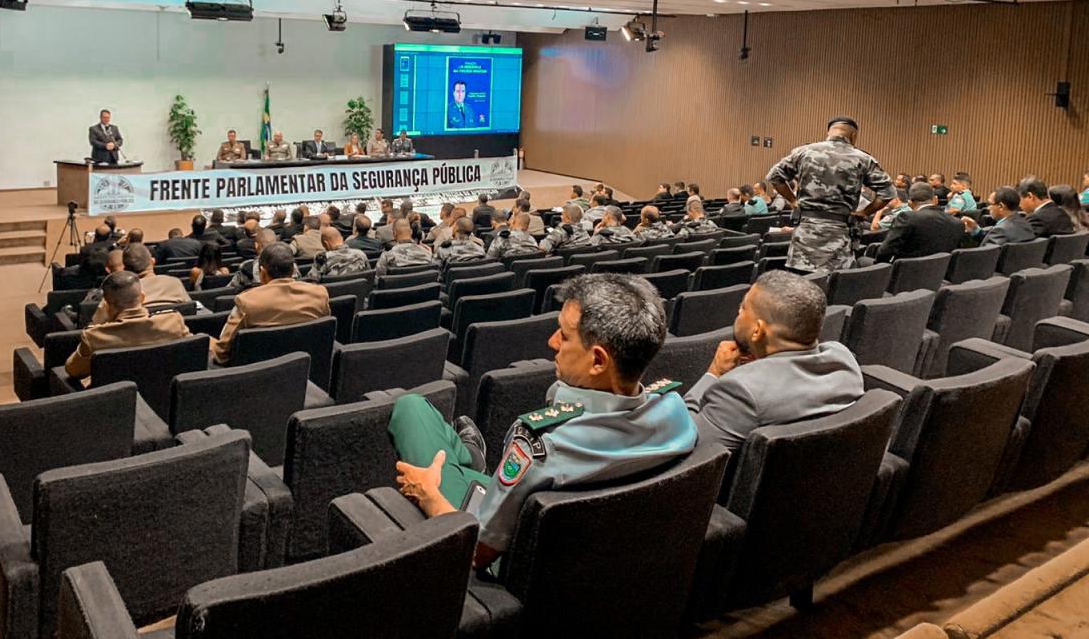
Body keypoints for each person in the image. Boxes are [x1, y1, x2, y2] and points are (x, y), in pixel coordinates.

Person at [389, 273, 695, 569]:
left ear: (598, 361)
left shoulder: (542, 450)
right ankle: (469, 457)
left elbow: (476, 553)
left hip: (503, 556)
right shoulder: (677, 415)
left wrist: (428, 495)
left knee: (410, 409)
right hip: (605, 562)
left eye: (564, 335)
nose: (552, 342)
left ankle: (466, 458)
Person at [685, 272, 863, 457]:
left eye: (743, 308)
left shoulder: (740, 391)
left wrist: (713, 373)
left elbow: (684, 440)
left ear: (757, 331)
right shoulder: (844, 358)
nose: (739, 312)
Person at [767, 117, 894, 273]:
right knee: (834, 285)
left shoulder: (803, 152)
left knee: (800, 286)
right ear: (854, 136)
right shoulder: (863, 159)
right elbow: (888, 192)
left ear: (829, 132)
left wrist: (793, 201)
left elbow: (774, 177)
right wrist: (864, 213)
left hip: (805, 235)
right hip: (839, 236)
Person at [211, 243, 331, 363]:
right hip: (306, 372)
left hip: (258, 377)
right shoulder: (320, 294)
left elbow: (222, 354)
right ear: (294, 269)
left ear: (262, 272)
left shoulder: (247, 302)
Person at [64, 272, 190, 380]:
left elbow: (72, 370)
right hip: (164, 400)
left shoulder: (94, 337)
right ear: (142, 298)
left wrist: (95, 323)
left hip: (118, 404)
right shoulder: (173, 322)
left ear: (106, 306)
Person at [875, 182, 964, 261]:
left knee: (862, 260)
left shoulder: (907, 218)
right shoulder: (957, 223)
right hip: (939, 275)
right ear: (935, 200)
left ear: (910, 203)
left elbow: (884, 252)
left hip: (905, 274)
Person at [962, 187, 1035, 246]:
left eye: (990, 204)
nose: (988, 208)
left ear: (1001, 206)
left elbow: (985, 256)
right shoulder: (1025, 224)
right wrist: (976, 230)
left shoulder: (1000, 230)